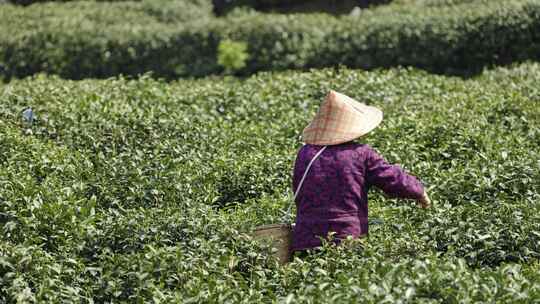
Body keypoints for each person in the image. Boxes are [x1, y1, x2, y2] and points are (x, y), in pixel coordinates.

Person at [291, 90, 430, 253]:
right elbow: (391, 177)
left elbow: (298, 191)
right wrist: (418, 191)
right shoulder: (361, 153)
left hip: (305, 238)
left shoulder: (305, 153)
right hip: (346, 237)